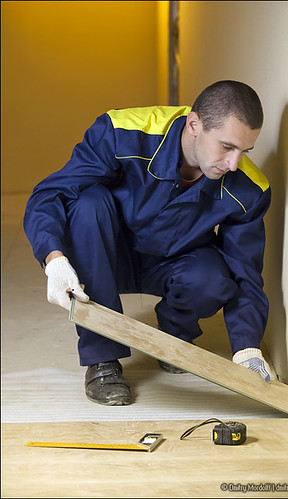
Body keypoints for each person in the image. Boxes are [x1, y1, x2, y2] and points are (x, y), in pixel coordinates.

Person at [24, 80, 273, 407]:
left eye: (245, 151)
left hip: (174, 260)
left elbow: (246, 273)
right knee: (88, 204)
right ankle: (103, 360)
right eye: (227, 147)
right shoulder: (122, 133)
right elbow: (50, 194)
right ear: (194, 124)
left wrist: (247, 348)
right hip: (104, 255)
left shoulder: (249, 189)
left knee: (213, 278)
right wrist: (53, 259)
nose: (234, 163)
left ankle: (174, 339)